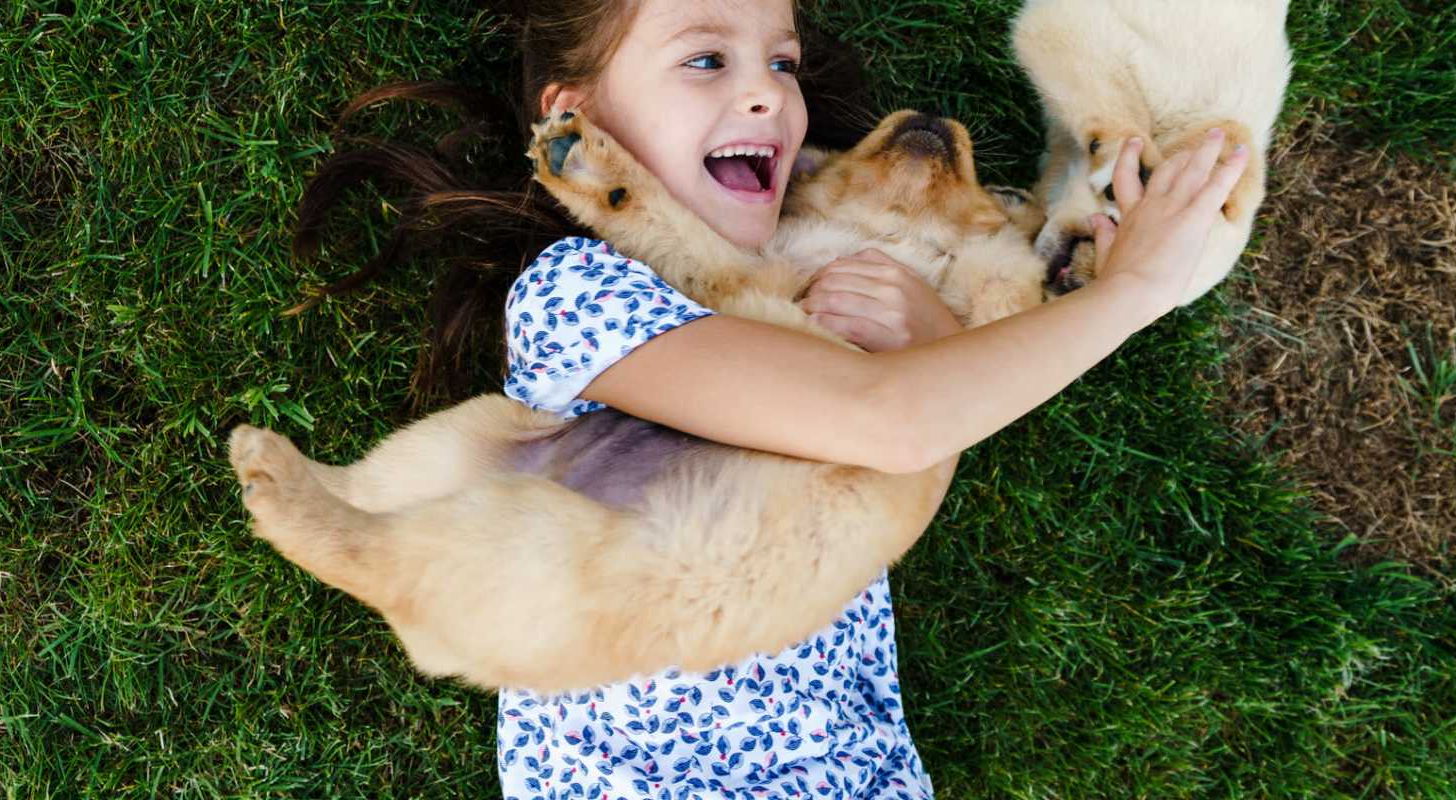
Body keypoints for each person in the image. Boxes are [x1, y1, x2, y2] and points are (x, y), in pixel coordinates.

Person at [292, 1, 1250, 796]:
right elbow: (892, 427)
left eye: (782, 63)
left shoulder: (862, 355)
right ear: (574, 110)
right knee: (553, 561)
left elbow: (893, 447)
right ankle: (363, 544)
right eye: (706, 59)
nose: (765, 91)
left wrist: (945, 350)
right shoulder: (574, 293)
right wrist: (1130, 293)